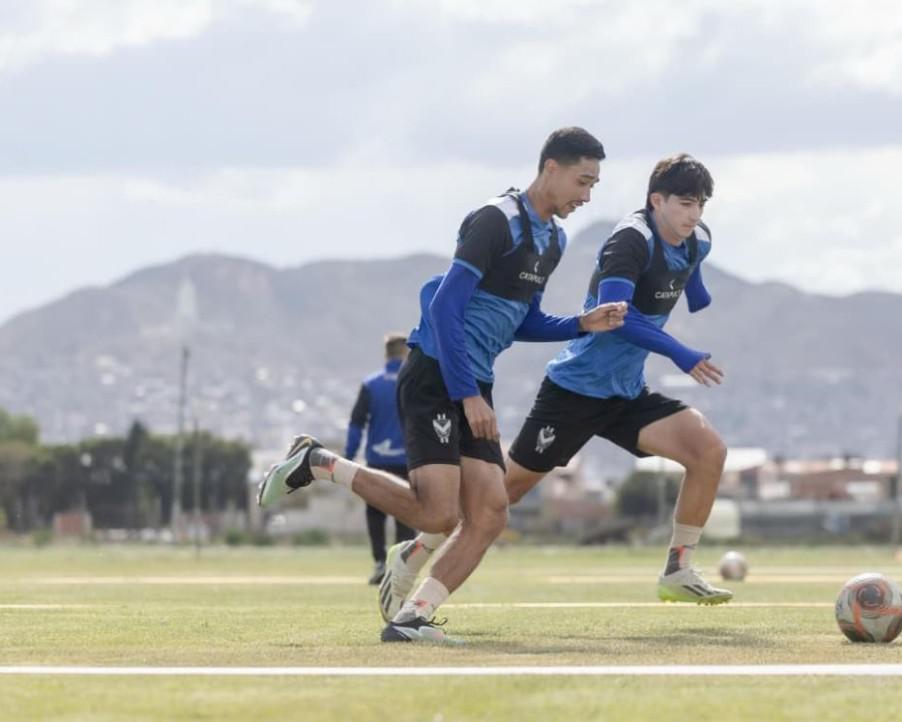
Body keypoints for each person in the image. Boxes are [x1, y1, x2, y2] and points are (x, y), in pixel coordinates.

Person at [258, 127, 628, 642]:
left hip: (475, 380)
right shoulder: (495, 220)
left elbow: (522, 320)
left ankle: (412, 618)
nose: (586, 196)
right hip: (437, 374)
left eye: (593, 186)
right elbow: (444, 306)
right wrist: (467, 393)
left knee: (491, 513)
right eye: (582, 181)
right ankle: (319, 463)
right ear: (550, 169)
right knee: (438, 512)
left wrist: (580, 324)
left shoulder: (554, 241)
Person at [380, 153, 732, 622]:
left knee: (707, 450)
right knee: (501, 499)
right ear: (657, 200)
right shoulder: (629, 241)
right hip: (575, 391)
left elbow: (693, 276)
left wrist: (694, 279)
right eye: (686, 204)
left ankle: (678, 569)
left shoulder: (697, 240)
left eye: (701, 206)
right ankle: (419, 547)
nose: (694, 215)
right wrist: (680, 352)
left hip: (626, 392)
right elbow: (617, 319)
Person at [345, 333, 417, 584]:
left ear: (386, 354)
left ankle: (379, 564)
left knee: (375, 513)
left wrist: (349, 457)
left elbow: (356, 424)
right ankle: (400, 568)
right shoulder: (415, 381)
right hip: (410, 459)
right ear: (406, 352)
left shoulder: (371, 384)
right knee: (407, 514)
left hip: (377, 460)